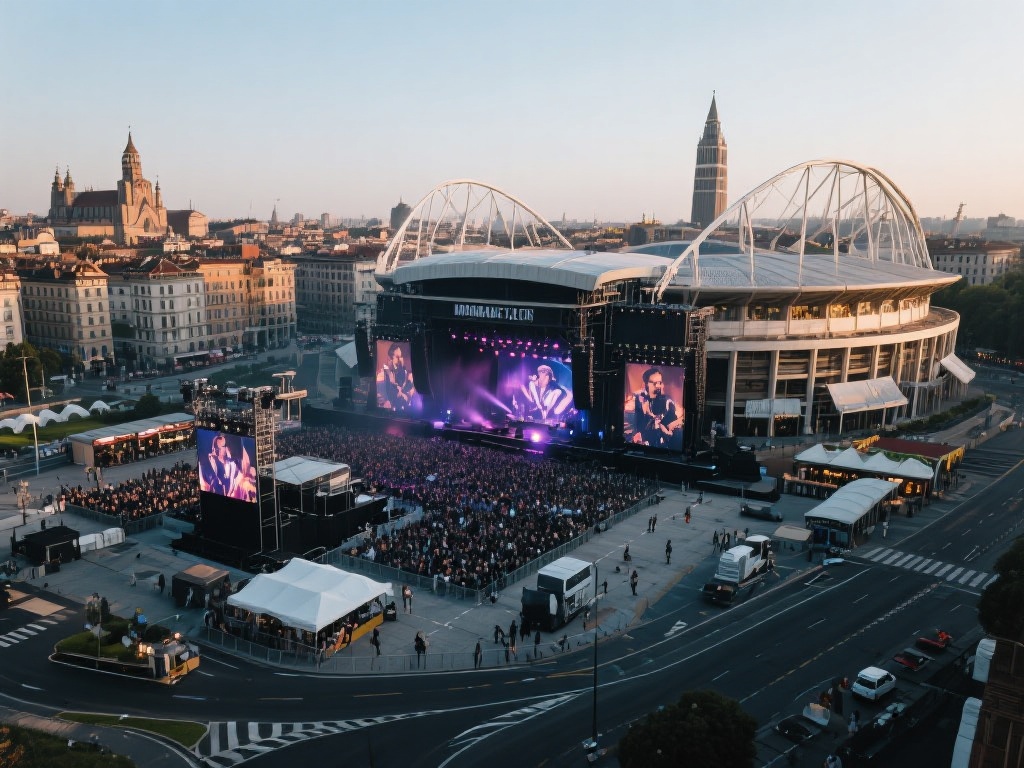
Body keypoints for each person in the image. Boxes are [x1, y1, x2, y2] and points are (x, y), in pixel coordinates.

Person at [630, 367, 684, 449]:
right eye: (654, 383)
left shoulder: (668, 403)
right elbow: (635, 428)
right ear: (646, 384)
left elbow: (670, 430)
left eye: (660, 382)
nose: (658, 386)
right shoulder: (638, 400)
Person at [377, 343, 416, 412]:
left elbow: (409, 395)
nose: (401, 360)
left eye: (401, 357)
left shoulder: (406, 373)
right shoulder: (383, 375)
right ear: (391, 358)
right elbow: (394, 395)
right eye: (397, 357)